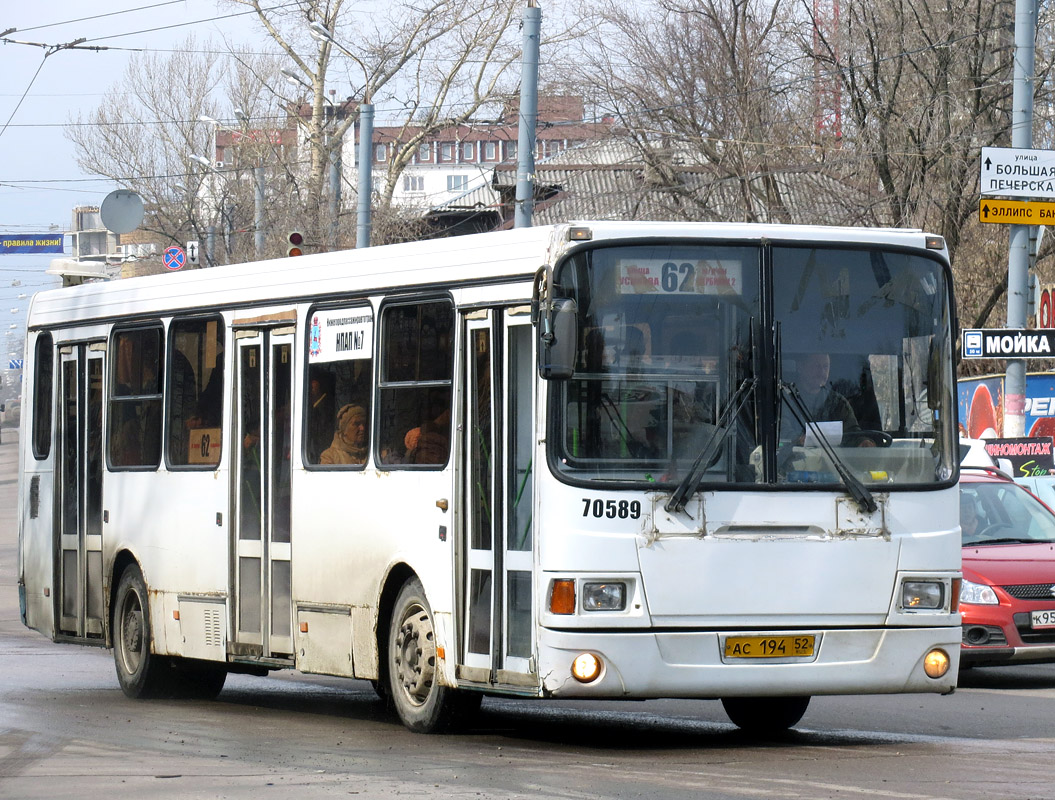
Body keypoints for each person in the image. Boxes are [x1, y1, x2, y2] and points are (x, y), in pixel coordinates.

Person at [785, 352, 875, 447]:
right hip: (791, 459)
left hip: (832, 460)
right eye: (816, 366)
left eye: (825, 367)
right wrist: (798, 439)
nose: (822, 371)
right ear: (800, 367)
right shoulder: (786, 398)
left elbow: (852, 433)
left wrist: (862, 442)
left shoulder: (837, 402)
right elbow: (781, 431)